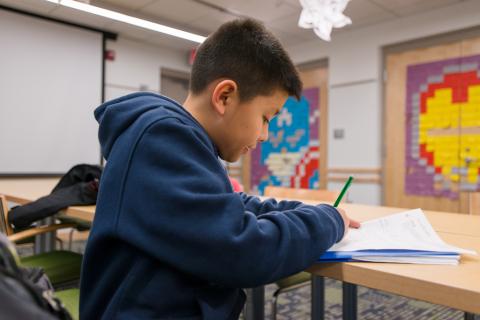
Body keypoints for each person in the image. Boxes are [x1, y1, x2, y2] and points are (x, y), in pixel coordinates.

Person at [80, 18, 359, 320]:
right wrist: (327, 221)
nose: (264, 134)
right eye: (266, 117)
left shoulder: (186, 142)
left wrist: (306, 210)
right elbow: (243, 250)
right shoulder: (160, 140)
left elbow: (229, 206)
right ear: (224, 96)